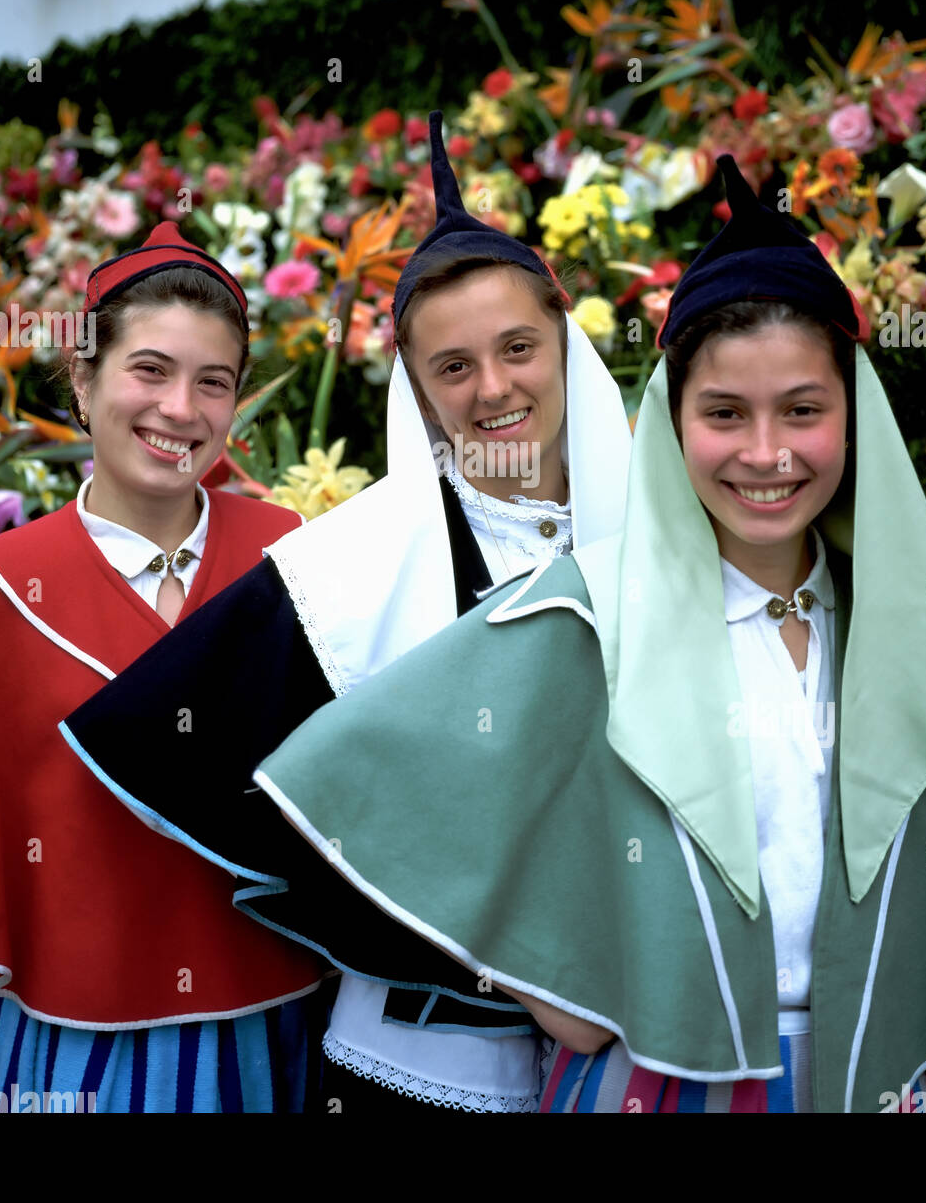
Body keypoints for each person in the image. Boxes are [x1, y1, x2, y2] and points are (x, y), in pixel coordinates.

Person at [245, 155, 926, 1113]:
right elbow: (357, 777)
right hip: (655, 1081)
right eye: (723, 414)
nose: (765, 453)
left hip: (869, 1078)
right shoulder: (576, 619)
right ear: (670, 422)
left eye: (803, 409)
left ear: (854, 415)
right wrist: (549, 979)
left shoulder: (925, 621)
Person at [59, 112, 633, 1113]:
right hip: (424, 1061)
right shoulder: (353, 563)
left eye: (517, 349)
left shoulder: (666, 531)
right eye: (452, 367)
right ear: (414, 388)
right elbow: (172, 741)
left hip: (647, 1033)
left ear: (564, 342)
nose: (492, 388)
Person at [0, 222, 324, 1113]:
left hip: (280, 1027)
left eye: (212, 383)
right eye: (149, 370)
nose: (181, 409)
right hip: (74, 1053)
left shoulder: (296, 555)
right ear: (81, 377)